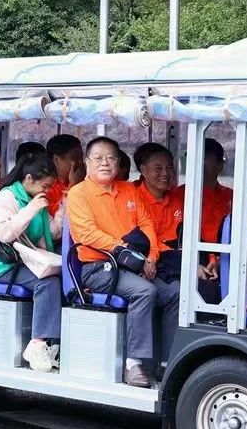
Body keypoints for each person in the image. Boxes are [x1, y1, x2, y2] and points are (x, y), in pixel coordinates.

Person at [65, 136, 179, 388]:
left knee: (174, 293)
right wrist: (127, 252)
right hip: (98, 268)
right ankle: (133, 363)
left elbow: (146, 224)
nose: (105, 163)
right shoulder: (78, 193)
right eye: (98, 158)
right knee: (145, 291)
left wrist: (151, 257)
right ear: (87, 162)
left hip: (134, 265)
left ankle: (166, 363)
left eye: (111, 158)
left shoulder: (128, 189)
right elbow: (87, 234)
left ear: (118, 162)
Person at [0, 154, 63, 372]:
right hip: (8, 264)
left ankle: (52, 344)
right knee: (48, 283)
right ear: (29, 179)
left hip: (31, 260)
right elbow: (4, 233)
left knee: (62, 279)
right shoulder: (8, 196)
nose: (47, 190)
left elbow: (52, 232)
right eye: (45, 186)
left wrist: (63, 208)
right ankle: (37, 344)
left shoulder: (37, 198)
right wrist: (30, 209)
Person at [133, 142, 185, 279]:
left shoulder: (180, 197)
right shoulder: (133, 200)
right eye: (158, 168)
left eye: (169, 167)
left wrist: (211, 258)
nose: (165, 173)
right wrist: (187, 264)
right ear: (143, 170)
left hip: (178, 255)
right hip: (152, 262)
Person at [197, 137, 235, 294]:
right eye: (197, 157)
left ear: (220, 165)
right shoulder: (179, 195)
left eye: (205, 158)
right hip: (194, 260)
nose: (200, 163)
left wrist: (220, 261)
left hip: (228, 259)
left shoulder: (233, 197)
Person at [45, 133, 82, 214]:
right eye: (75, 158)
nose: (80, 162)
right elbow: (54, 214)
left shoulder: (85, 180)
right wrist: (73, 185)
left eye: (81, 157)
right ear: (56, 160)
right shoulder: (46, 186)